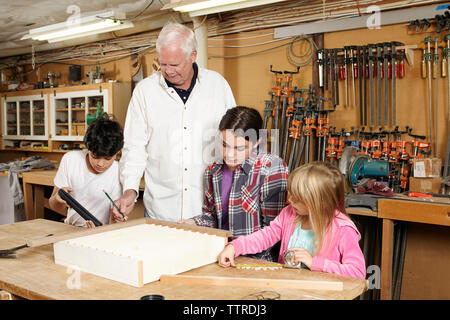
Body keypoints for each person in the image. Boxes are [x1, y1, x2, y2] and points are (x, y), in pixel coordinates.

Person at [114, 22, 236, 222]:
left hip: (208, 211)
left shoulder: (218, 86)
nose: (168, 71)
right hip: (161, 211)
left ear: (193, 56)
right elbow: (134, 147)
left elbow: (235, 140)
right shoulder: (145, 92)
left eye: (175, 64)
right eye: (163, 64)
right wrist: (130, 191)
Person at [218, 162, 366, 279]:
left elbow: (357, 272)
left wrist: (314, 262)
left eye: (298, 198)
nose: (290, 200)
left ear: (320, 202)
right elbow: (265, 236)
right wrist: (235, 247)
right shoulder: (289, 213)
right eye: (291, 193)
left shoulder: (343, 229)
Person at [179, 106, 288, 261]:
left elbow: (273, 231)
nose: (229, 154)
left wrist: (239, 253)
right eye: (224, 145)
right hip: (220, 255)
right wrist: (193, 223)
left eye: (239, 148)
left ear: (257, 142)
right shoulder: (213, 171)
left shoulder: (271, 168)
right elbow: (213, 217)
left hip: (254, 261)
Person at [49, 116, 124, 228]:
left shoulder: (119, 171)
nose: (100, 164)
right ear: (88, 147)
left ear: (117, 153)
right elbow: (54, 206)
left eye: (107, 159)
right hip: (70, 229)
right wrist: (58, 198)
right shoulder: (70, 160)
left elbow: (115, 221)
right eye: (95, 156)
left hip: (100, 233)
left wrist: (108, 227)